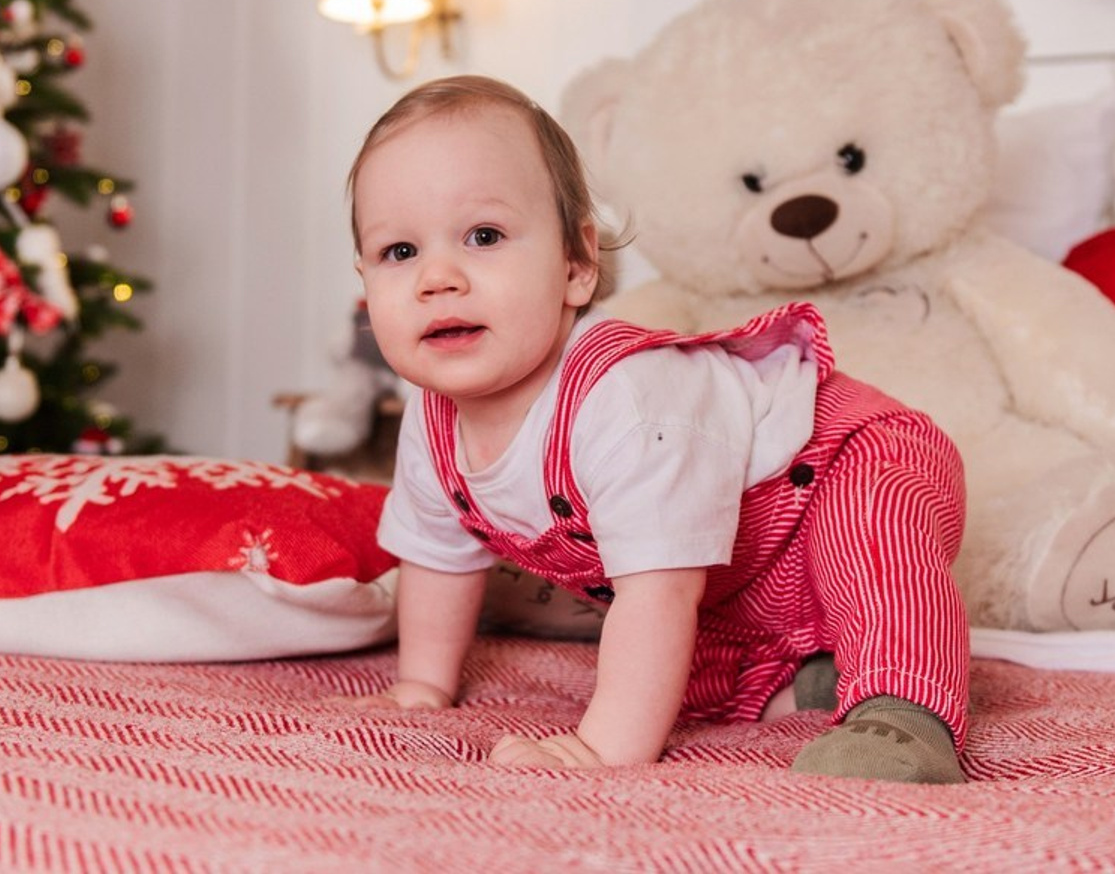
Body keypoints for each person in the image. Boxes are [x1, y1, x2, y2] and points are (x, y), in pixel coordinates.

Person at [348, 74, 970, 784]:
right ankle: (820, 678)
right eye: (399, 252)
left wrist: (603, 746)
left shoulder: (625, 398)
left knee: (872, 542)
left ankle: (904, 716)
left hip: (844, 459)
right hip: (742, 572)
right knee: (685, 677)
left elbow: (658, 591)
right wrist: (422, 687)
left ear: (578, 266)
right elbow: (437, 559)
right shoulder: (431, 424)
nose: (437, 277)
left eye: (483, 236)